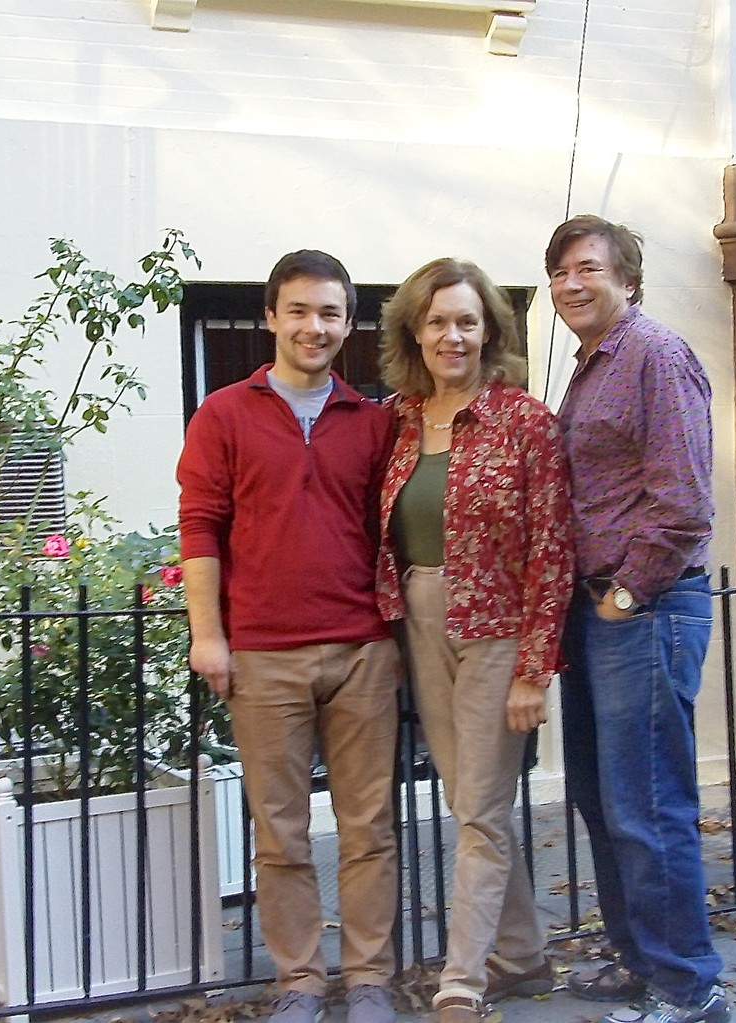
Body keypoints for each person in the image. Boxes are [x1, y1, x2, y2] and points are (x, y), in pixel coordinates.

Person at [177, 250, 400, 1023]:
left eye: (331, 313)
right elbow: (200, 527)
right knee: (280, 833)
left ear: (348, 322)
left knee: (370, 827)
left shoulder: (373, 422)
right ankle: (299, 980)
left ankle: (369, 974)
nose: (315, 326)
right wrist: (208, 634)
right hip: (263, 655)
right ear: (271, 316)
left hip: (363, 650)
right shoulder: (224, 414)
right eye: (299, 310)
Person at [372, 258, 574, 1023]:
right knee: (469, 800)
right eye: (436, 321)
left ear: (489, 329)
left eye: (466, 320)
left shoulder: (524, 420)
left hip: (495, 627)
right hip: (421, 616)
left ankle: (463, 978)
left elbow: (553, 550)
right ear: (414, 332)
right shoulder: (393, 420)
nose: (452, 335)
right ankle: (522, 955)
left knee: (481, 808)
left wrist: (534, 670)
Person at [545, 216, 731, 1023]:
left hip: (646, 608)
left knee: (649, 806)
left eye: (587, 267)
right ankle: (643, 964)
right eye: (558, 272)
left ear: (628, 279)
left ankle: (689, 990)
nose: (570, 283)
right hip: (597, 616)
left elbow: (684, 501)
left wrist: (626, 594)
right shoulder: (593, 368)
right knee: (603, 798)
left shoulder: (656, 354)